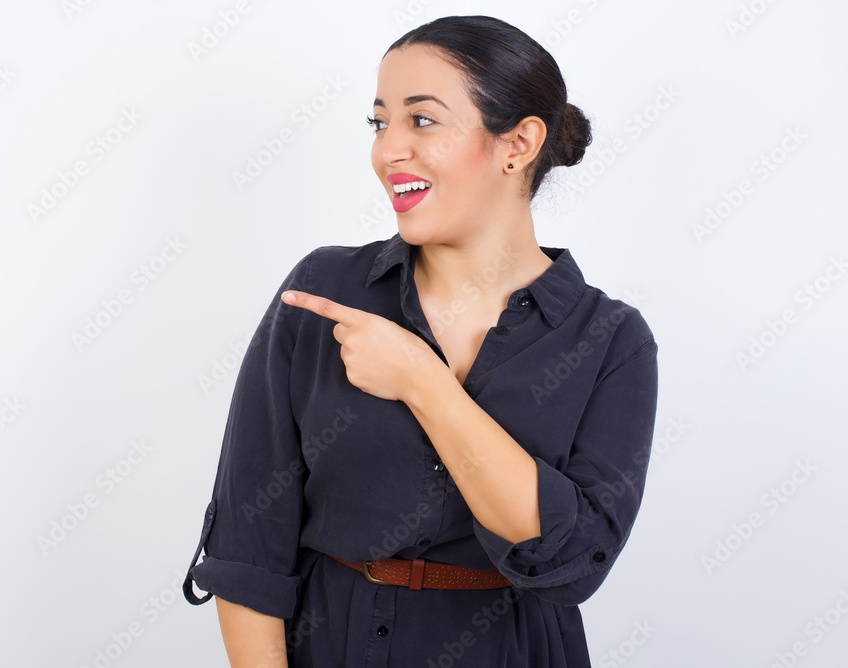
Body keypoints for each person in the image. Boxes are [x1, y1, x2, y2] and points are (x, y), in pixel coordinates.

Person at [184, 14, 659, 667]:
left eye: (422, 120)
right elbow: (247, 541)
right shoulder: (323, 290)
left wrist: (425, 383)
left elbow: (570, 561)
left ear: (517, 143)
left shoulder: (610, 340)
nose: (388, 150)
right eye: (380, 123)